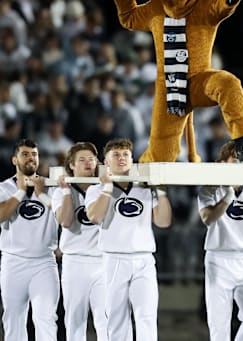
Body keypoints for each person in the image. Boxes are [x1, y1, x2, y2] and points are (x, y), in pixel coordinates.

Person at [85, 138, 172, 341]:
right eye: (116, 155)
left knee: (147, 316)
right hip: (114, 259)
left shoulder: (144, 188)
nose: (121, 158)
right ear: (106, 161)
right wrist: (107, 188)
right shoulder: (95, 189)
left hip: (143, 259)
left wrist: (161, 192)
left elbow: (163, 222)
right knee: (116, 317)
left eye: (125, 154)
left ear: (132, 159)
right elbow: (95, 217)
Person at [0, 138, 59, 340]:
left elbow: (64, 215)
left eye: (34, 154)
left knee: (46, 318)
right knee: (13, 319)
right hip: (14, 262)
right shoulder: (1, 188)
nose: (31, 158)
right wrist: (20, 192)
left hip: (44, 262)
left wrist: (41, 193)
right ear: (14, 160)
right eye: (25, 154)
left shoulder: (51, 187)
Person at [198, 141, 243, 341]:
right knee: (219, 325)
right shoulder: (209, 189)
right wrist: (228, 196)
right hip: (219, 258)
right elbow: (208, 218)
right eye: (234, 159)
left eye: (242, 159)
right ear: (223, 163)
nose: (239, 164)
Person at [51, 142, 107, 341]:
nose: (88, 163)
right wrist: (66, 191)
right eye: (81, 160)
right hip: (75, 262)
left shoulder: (107, 189)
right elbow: (66, 221)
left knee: (105, 320)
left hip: (102, 261)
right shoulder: (60, 192)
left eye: (91, 159)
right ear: (71, 165)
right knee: (75, 321)